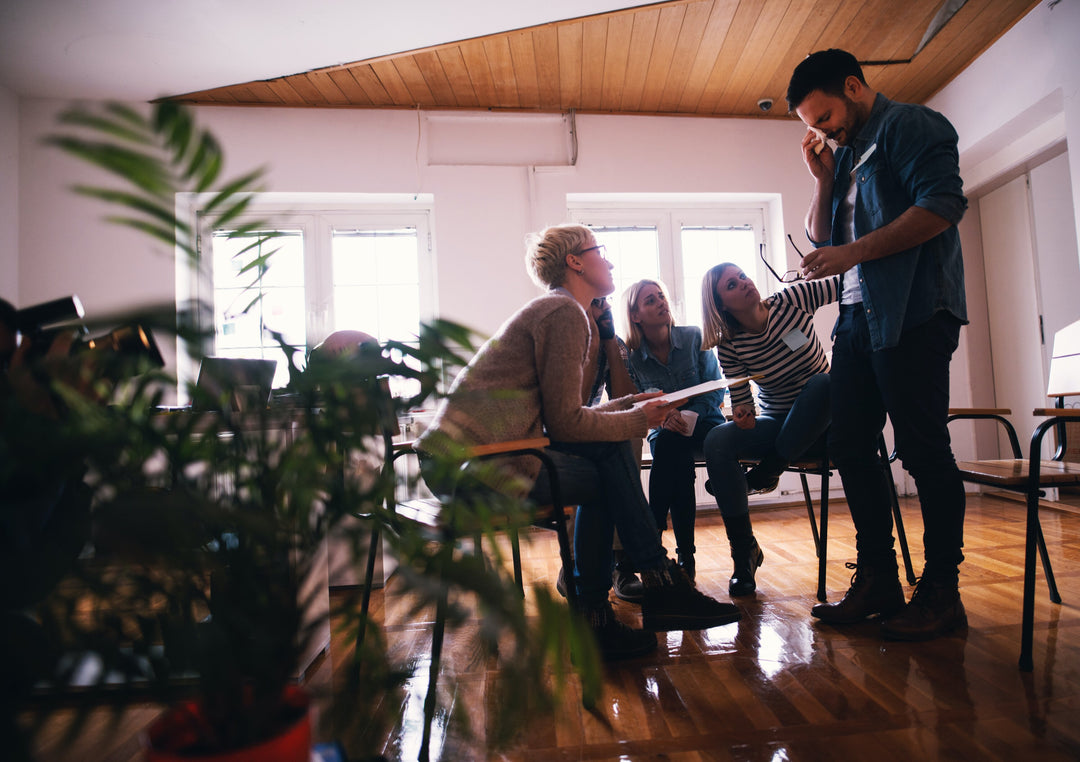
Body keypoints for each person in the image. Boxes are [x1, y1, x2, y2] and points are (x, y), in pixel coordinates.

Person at [416, 224, 741, 660]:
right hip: (469, 467)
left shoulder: (563, 311)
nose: (607, 261)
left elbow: (563, 417)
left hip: (477, 459)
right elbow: (567, 425)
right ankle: (653, 585)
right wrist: (635, 417)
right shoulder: (564, 313)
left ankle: (611, 609)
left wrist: (631, 403)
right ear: (575, 261)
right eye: (599, 251)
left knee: (604, 468)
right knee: (607, 462)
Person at [786, 49, 969, 640]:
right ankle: (879, 579)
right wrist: (823, 179)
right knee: (849, 442)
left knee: (921, 449)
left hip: (916, 311)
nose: (823, 131)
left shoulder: (910, 125)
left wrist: (853, 254)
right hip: (859, 317)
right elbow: (824, 239)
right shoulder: (845, 155)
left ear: (854, 86)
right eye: (813, 126)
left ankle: (942, 591)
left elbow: (942, 206)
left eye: (825, 116)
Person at [700, 263, 839, 596]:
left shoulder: (794, 299)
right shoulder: (730, 344)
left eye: (743, 276)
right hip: (779, 425)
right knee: (718, 438)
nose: (745, 283)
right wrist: (743, 416)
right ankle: (744, 552)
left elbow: (849, 284)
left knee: (824, 383)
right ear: (721, 306)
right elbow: (742, 399)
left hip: (827, 426)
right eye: (732, 285)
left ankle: (767, 472)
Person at [625, 279, 726, 581]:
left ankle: (652, 539)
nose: (661, 303)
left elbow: (715, 391)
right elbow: (636, 404)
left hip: (705, 422)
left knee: (672, 446)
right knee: (672, 447)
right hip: (664, 431)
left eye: (661, 296)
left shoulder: (694, 337)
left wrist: (687, 413)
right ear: (635, 315)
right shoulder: (631, 356)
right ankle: (686, 556)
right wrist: (667, 416)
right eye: (650, 300)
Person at [583, 296, 644, 602]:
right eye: (596, 303)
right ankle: (577, 564)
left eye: (606, 301)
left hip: (586, 425)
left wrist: (607, 342)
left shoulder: (613, 341)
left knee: (629, 433)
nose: (604, 308)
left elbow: (625, 397)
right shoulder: (563, 335)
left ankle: (623, 562)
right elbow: (569, 407)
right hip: (549, 431)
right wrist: (591, 343)